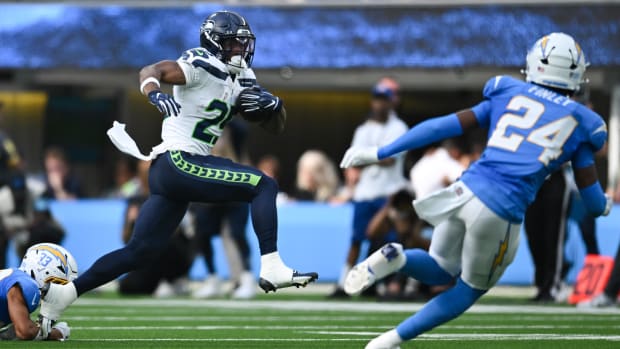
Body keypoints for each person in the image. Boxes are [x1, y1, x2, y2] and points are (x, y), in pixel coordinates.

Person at [39, 11, 317, 328]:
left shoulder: (243, 77)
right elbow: (151, 70)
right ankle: (272, 266)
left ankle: (63, 296)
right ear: (216, 43)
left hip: (173, 173)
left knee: (139, 252)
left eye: (243, 43)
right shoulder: (201, 64)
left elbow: (275, 126)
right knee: (263, 185)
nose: (241, 49)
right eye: (234, 43)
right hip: (179, 160)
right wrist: (154, 92)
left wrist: (275, 106)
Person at [340, 32, 611, 348]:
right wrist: (603, 204)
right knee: (469, 288)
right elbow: (591, 200)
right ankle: (387, 342)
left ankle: (395, 257)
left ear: (534, 64)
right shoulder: (583, 122)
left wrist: (379, 152)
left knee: (441, 269)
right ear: (577, 72)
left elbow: (441, 126)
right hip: (501, 207)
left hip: (464, 189)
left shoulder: (507, 90)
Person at [331, 80, 409, 297]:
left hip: (388, 192)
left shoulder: (399, 127)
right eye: (377, 100)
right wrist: (374, 156)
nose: (380, 104)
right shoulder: (363, 129)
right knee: (356, 239)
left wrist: (366, 157)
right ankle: (343, 284)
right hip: (365, 193)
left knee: (387, 242)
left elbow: (390, 160)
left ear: (392, 102)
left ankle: (381, 284)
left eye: (384, 100)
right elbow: (358, 160)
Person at [0, 243, 76, 341]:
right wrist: (56, 333)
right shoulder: (27, 284)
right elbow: (25, 331)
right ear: (44, 272)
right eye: (57, 283)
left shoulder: (14, 276)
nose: (58, 290)